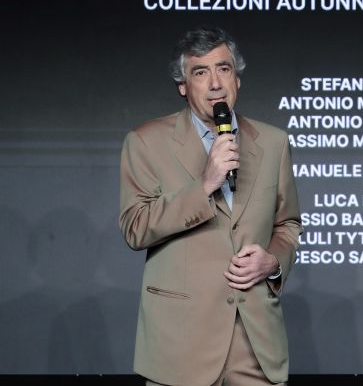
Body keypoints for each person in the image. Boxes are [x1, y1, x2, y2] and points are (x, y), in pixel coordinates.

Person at [119, 27, 302, 385]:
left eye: (224, 69)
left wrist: (273, 262)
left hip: (255, 344)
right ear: (183, 86)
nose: (215, 83)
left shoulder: (273, 142)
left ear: (237, 79)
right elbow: (135, 227)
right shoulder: (146, 141)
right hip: (182, 344)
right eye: (201, 72)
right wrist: (204, 185)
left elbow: (288, 224)